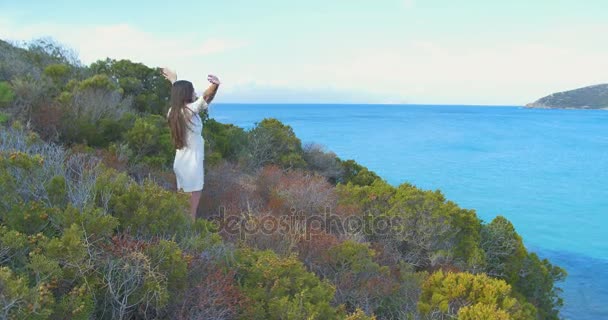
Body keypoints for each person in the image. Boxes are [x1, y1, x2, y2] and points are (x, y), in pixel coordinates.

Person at [162, 67, 220, 219]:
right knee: (190, 212)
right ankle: (189, 240)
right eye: (193, 90)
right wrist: (216, 84)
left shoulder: (173, 112)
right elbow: (206, 97)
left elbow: (205, 100)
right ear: (187, 93)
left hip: (181, 164)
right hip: (192, 166)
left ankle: (180, 238)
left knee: (183, 207)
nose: (195, 92)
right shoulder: (190, 110)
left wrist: (174, 81)